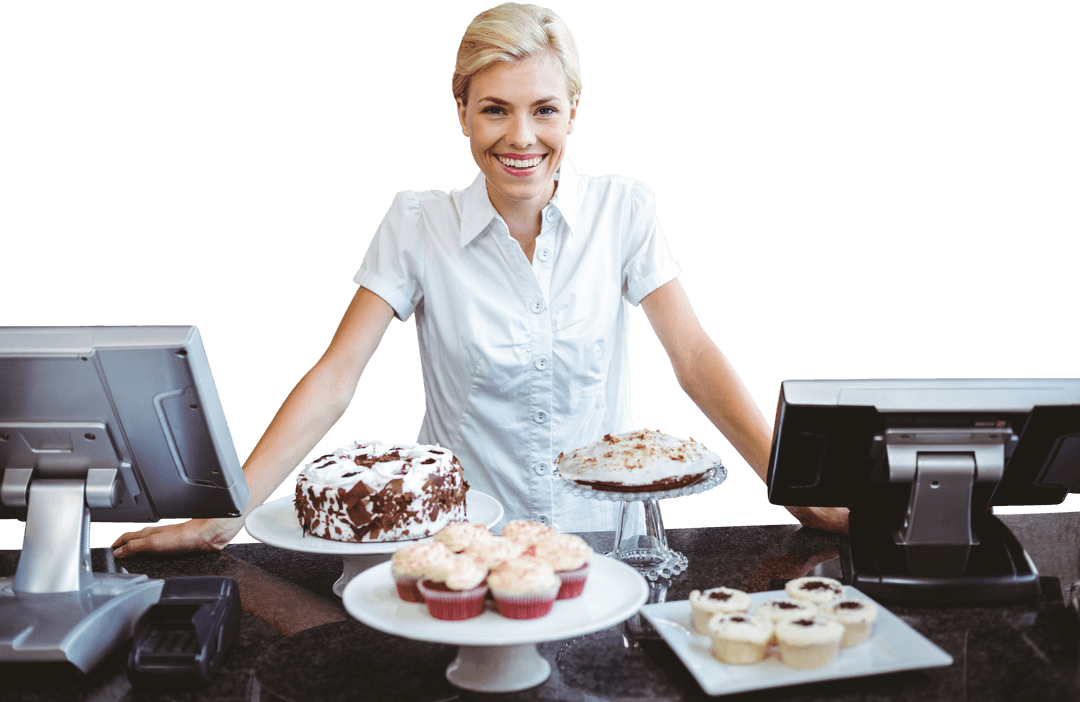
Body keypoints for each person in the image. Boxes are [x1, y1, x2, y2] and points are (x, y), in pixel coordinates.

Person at [113, 2, 846, 558]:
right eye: (494, 109)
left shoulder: (625, 207)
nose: (521, 137)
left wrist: (798, 493)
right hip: (461, 544)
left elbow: (694, 360)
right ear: (461, 112)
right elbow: (338, 376)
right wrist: (230, 512)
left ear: (573, 114)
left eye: (544, 110)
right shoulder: (415, 222)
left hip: (606, 545)